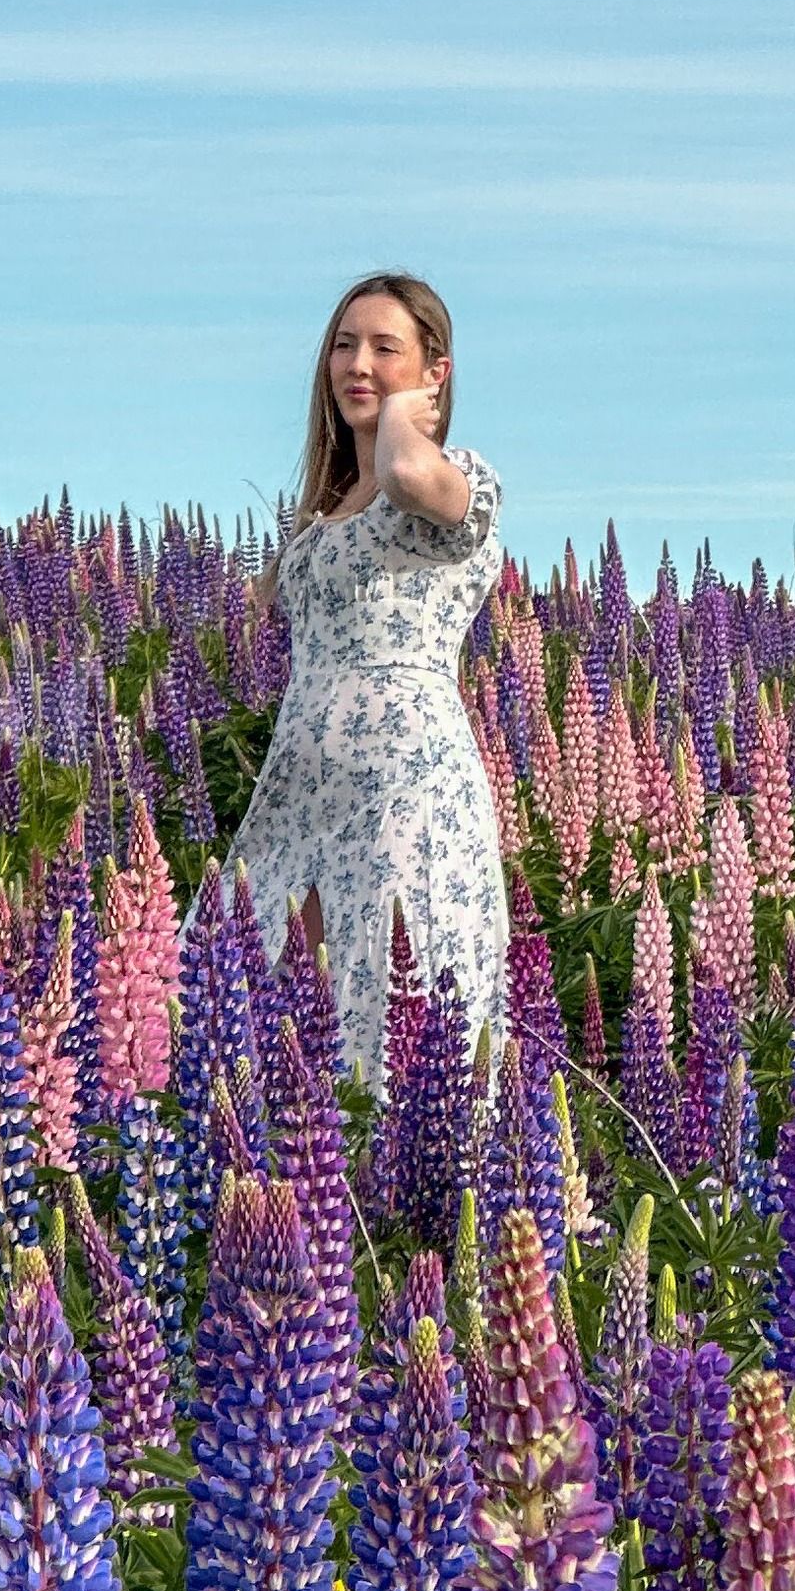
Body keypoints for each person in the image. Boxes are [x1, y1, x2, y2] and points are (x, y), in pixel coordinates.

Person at [219, 270, 508, 1092]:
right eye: (345, 344)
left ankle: (398, 1221)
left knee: (387, 1028)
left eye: (387, 348)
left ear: (435, 371)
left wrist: (403, 426)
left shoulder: (455, 482)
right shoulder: (327, 506)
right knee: (252, 1010)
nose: (358, 363)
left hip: (406, 794)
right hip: (300, 799)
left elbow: (414, 479)